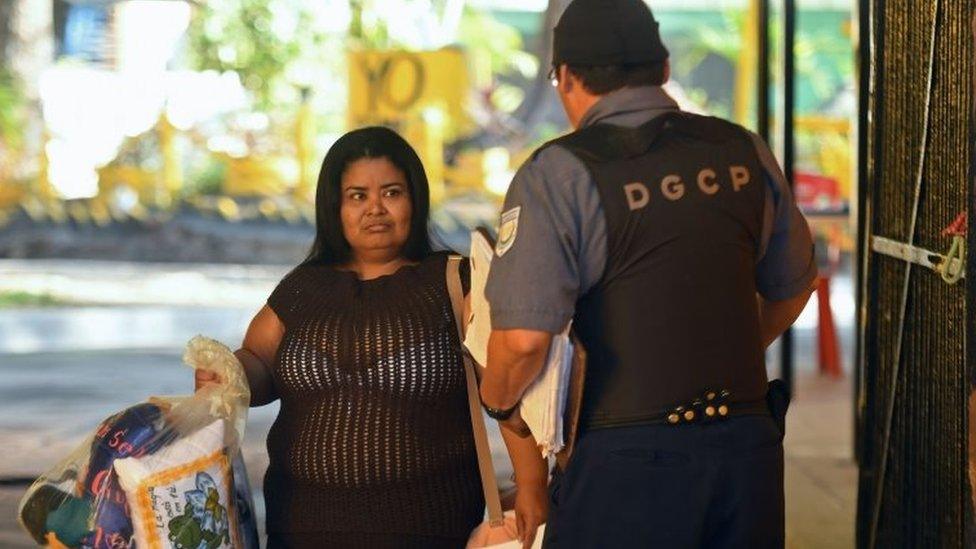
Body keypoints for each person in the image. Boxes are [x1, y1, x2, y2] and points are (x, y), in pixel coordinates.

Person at [478, 0, 818, 547]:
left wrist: (497, 402)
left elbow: (521, 343)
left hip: (626, 461)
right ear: (663, 68)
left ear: (565, 77)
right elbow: (795, 284)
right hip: (746, 452)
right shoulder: (740, 150)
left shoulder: (558, 174)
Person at [197, 126, 484, 548]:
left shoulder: (457, 282)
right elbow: (260, 361)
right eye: (357, 196)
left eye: (391, 193)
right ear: (335, 207)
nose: (375, 209)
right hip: (302, 527)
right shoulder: (301, 288)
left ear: (415, 200)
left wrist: (530, 486)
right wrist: (229, 373)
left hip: (427, 528)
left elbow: (511, 385)